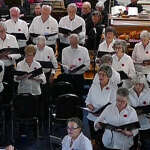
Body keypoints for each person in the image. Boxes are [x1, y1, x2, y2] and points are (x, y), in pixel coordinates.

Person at [85, 64, 117, 147]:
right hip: (92, 117)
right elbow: (87, 100)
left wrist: (102, 113)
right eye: (99, 74)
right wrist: (89, 105)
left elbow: (113, 104)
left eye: (103, 75)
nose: (100, 77)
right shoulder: (94, 86)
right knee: (94, 141)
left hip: (105, 120)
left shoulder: (113, 88)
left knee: (104, 142)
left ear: (109, 76)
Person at [129, 74, 150, 150]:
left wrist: (141, 111)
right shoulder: (128, 92)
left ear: (144, 84)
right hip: (133, 125)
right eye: (136, 84)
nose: (138, 86)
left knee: (147, 145)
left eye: (140, 84)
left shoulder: (149, 92)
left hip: (146, 124)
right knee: (133, 145)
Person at [0, 21, 20, 103]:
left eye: (2, 31)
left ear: (6, 30)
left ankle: (9, 106)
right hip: (0, 69)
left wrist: (9, 56)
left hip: (9, 67)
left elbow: (18, 54)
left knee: (9, 89)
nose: (1, 33)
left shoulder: (12, 38)